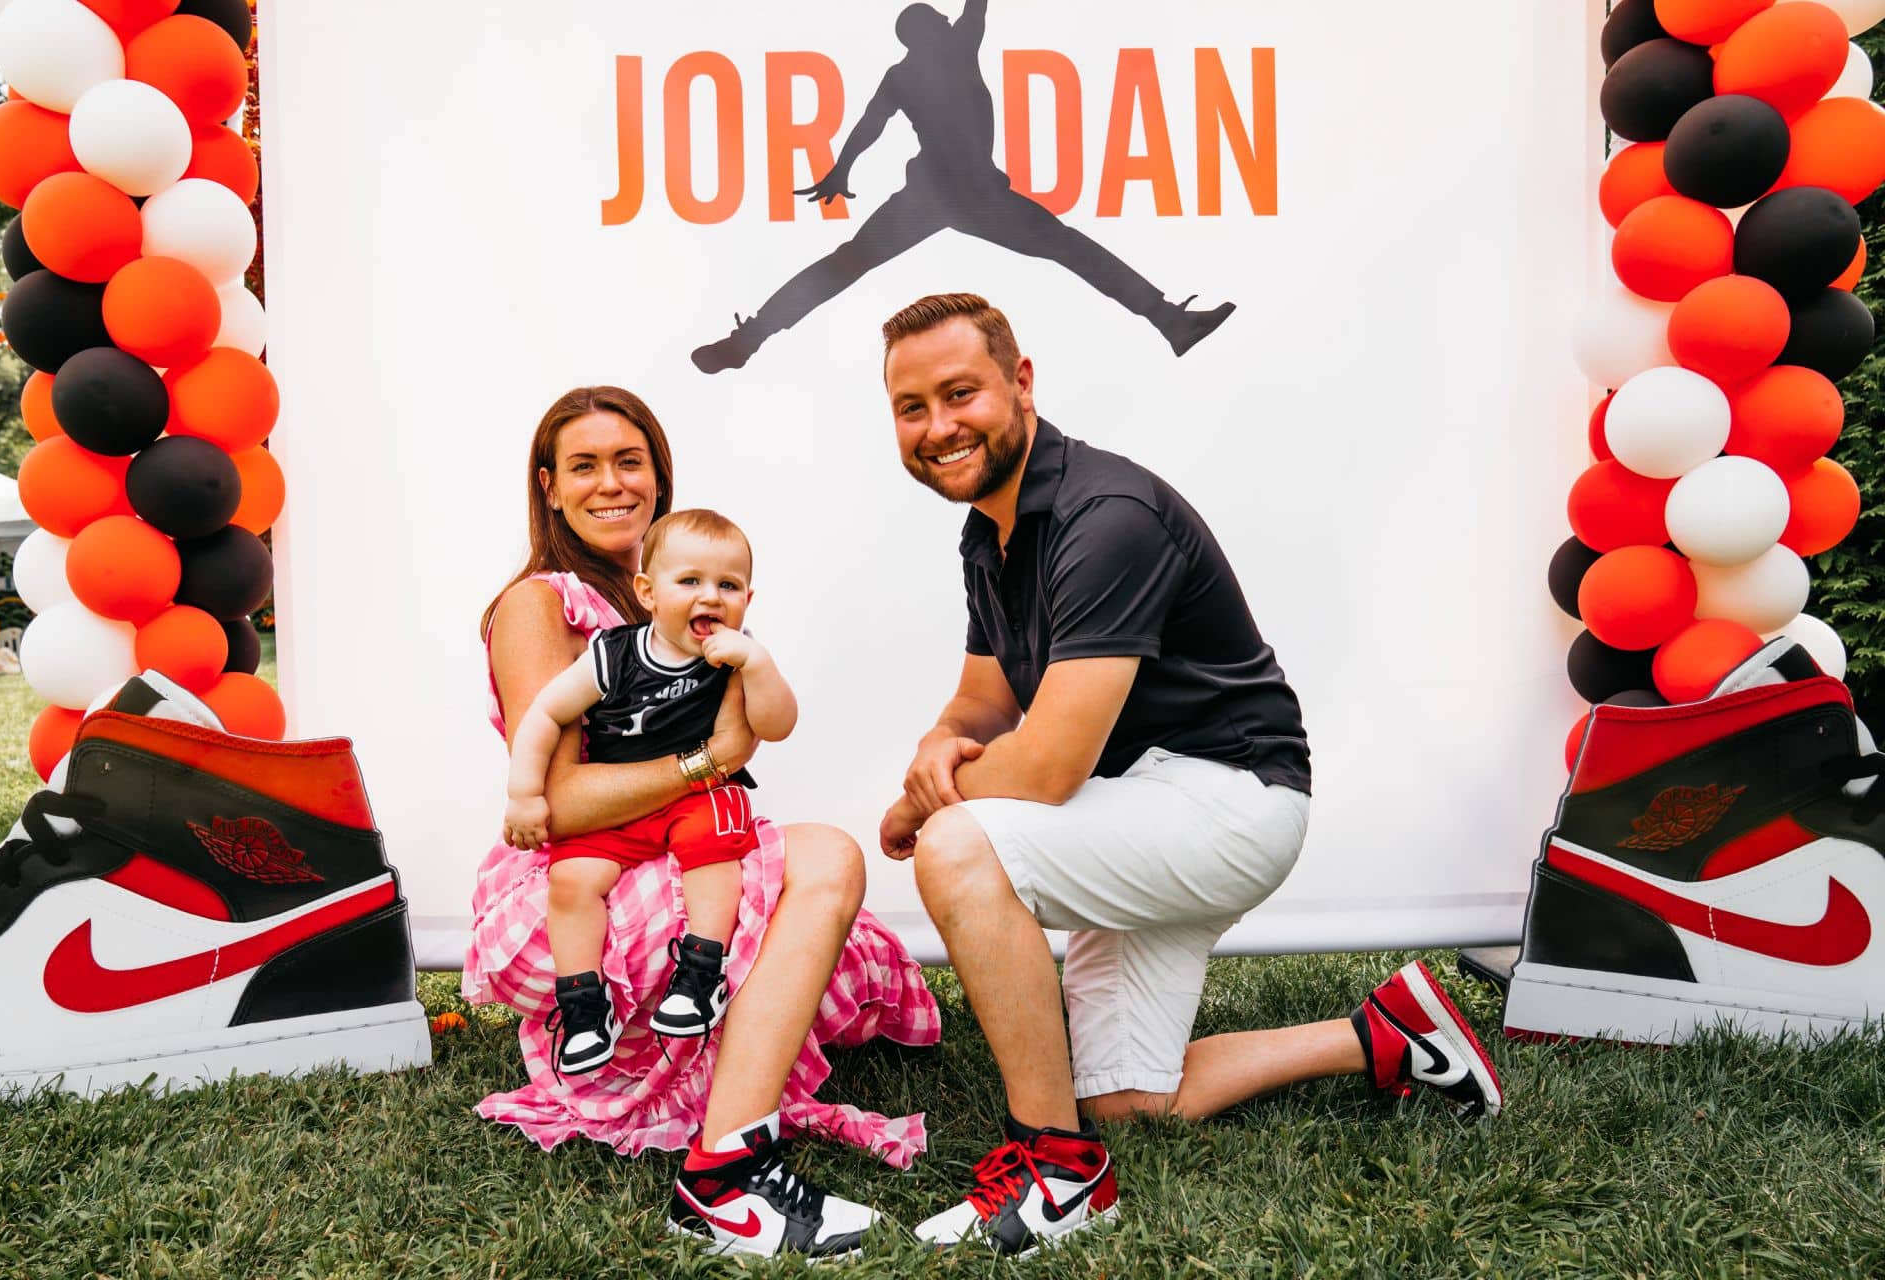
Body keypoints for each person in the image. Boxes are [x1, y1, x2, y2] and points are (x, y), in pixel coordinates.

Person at [875, 294, 1504, 1255]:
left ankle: (1058, 1169)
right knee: (1127, 1101)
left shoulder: (1105, 513)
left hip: (1227, 800)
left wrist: (931, 808)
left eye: (959, 393)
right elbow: (982, 704)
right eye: (911, 407)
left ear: (1022, 382)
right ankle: (1391, 1037)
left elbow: (1045, 770)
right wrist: (933, 753)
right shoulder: (989, 534)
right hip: (1142, 808)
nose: (938, 426)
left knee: (962, 848)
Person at [465, 387, 941, 1260]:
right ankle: (723, 1176)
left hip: (671, 845)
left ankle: (720, 1113)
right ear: (549, 487)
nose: (611, 483)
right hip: (574, 874)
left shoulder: (684, 588)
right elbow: (562, 802)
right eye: (584, 466)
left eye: (630, 461)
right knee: (826, 859)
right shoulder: (544, 604)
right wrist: (709, 763)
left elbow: (768, 715)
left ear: (659, 476)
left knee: (826, 897)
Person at [690, 0, 1233, 375]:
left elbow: (869, 127)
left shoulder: (911, 68)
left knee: (845, 263)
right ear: (927, 29)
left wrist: (843, 168)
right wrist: (843, 167)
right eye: (937, 17)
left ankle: (748, 340)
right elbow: (872, 122)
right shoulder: (949, 48)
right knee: (1067, 247)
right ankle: (1168, 320)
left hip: (950, 195)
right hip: (958, 195)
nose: (947, 18)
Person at [502, 510, 791, 1068]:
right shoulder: (616, 655)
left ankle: (701, 973)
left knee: (714, 842)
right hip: (621, 805)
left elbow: (777, 725)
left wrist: (757, 665)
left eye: (727, 586)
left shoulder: (736, 657)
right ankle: (584, 1002)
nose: (710, 596)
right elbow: (545, 713)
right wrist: (523, 793)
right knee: (570, 880)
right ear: (648, 592)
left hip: (695, 801)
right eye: (690, 582)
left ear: (747, 600)